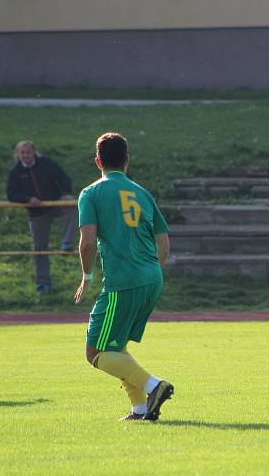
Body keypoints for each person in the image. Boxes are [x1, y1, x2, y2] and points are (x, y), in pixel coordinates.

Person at [74, 132, 174, 421]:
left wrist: (86, 275)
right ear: (127, 160)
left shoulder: (91, 193)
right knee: (116, 346)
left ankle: (154, 386)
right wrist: (150, 273)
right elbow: (164, 242)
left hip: (124, 282)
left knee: (95, 352)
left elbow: (88, 242)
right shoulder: (142, 193)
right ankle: (140, 407)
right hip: (152, 277)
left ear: (97, 161)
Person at [6, 141, 78, 295]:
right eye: (22, 153)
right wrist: (27, 199)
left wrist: (66, 193)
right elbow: (12, 194)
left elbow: (64, 178)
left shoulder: (46, 163)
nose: (25, 155)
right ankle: (43, 285)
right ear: (18, 155)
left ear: (34, 153)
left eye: (28, 152)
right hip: (37, 213)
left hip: (55, 203)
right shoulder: (15, 172)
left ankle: (67, 243)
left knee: (72, 206)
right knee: (40, 250)